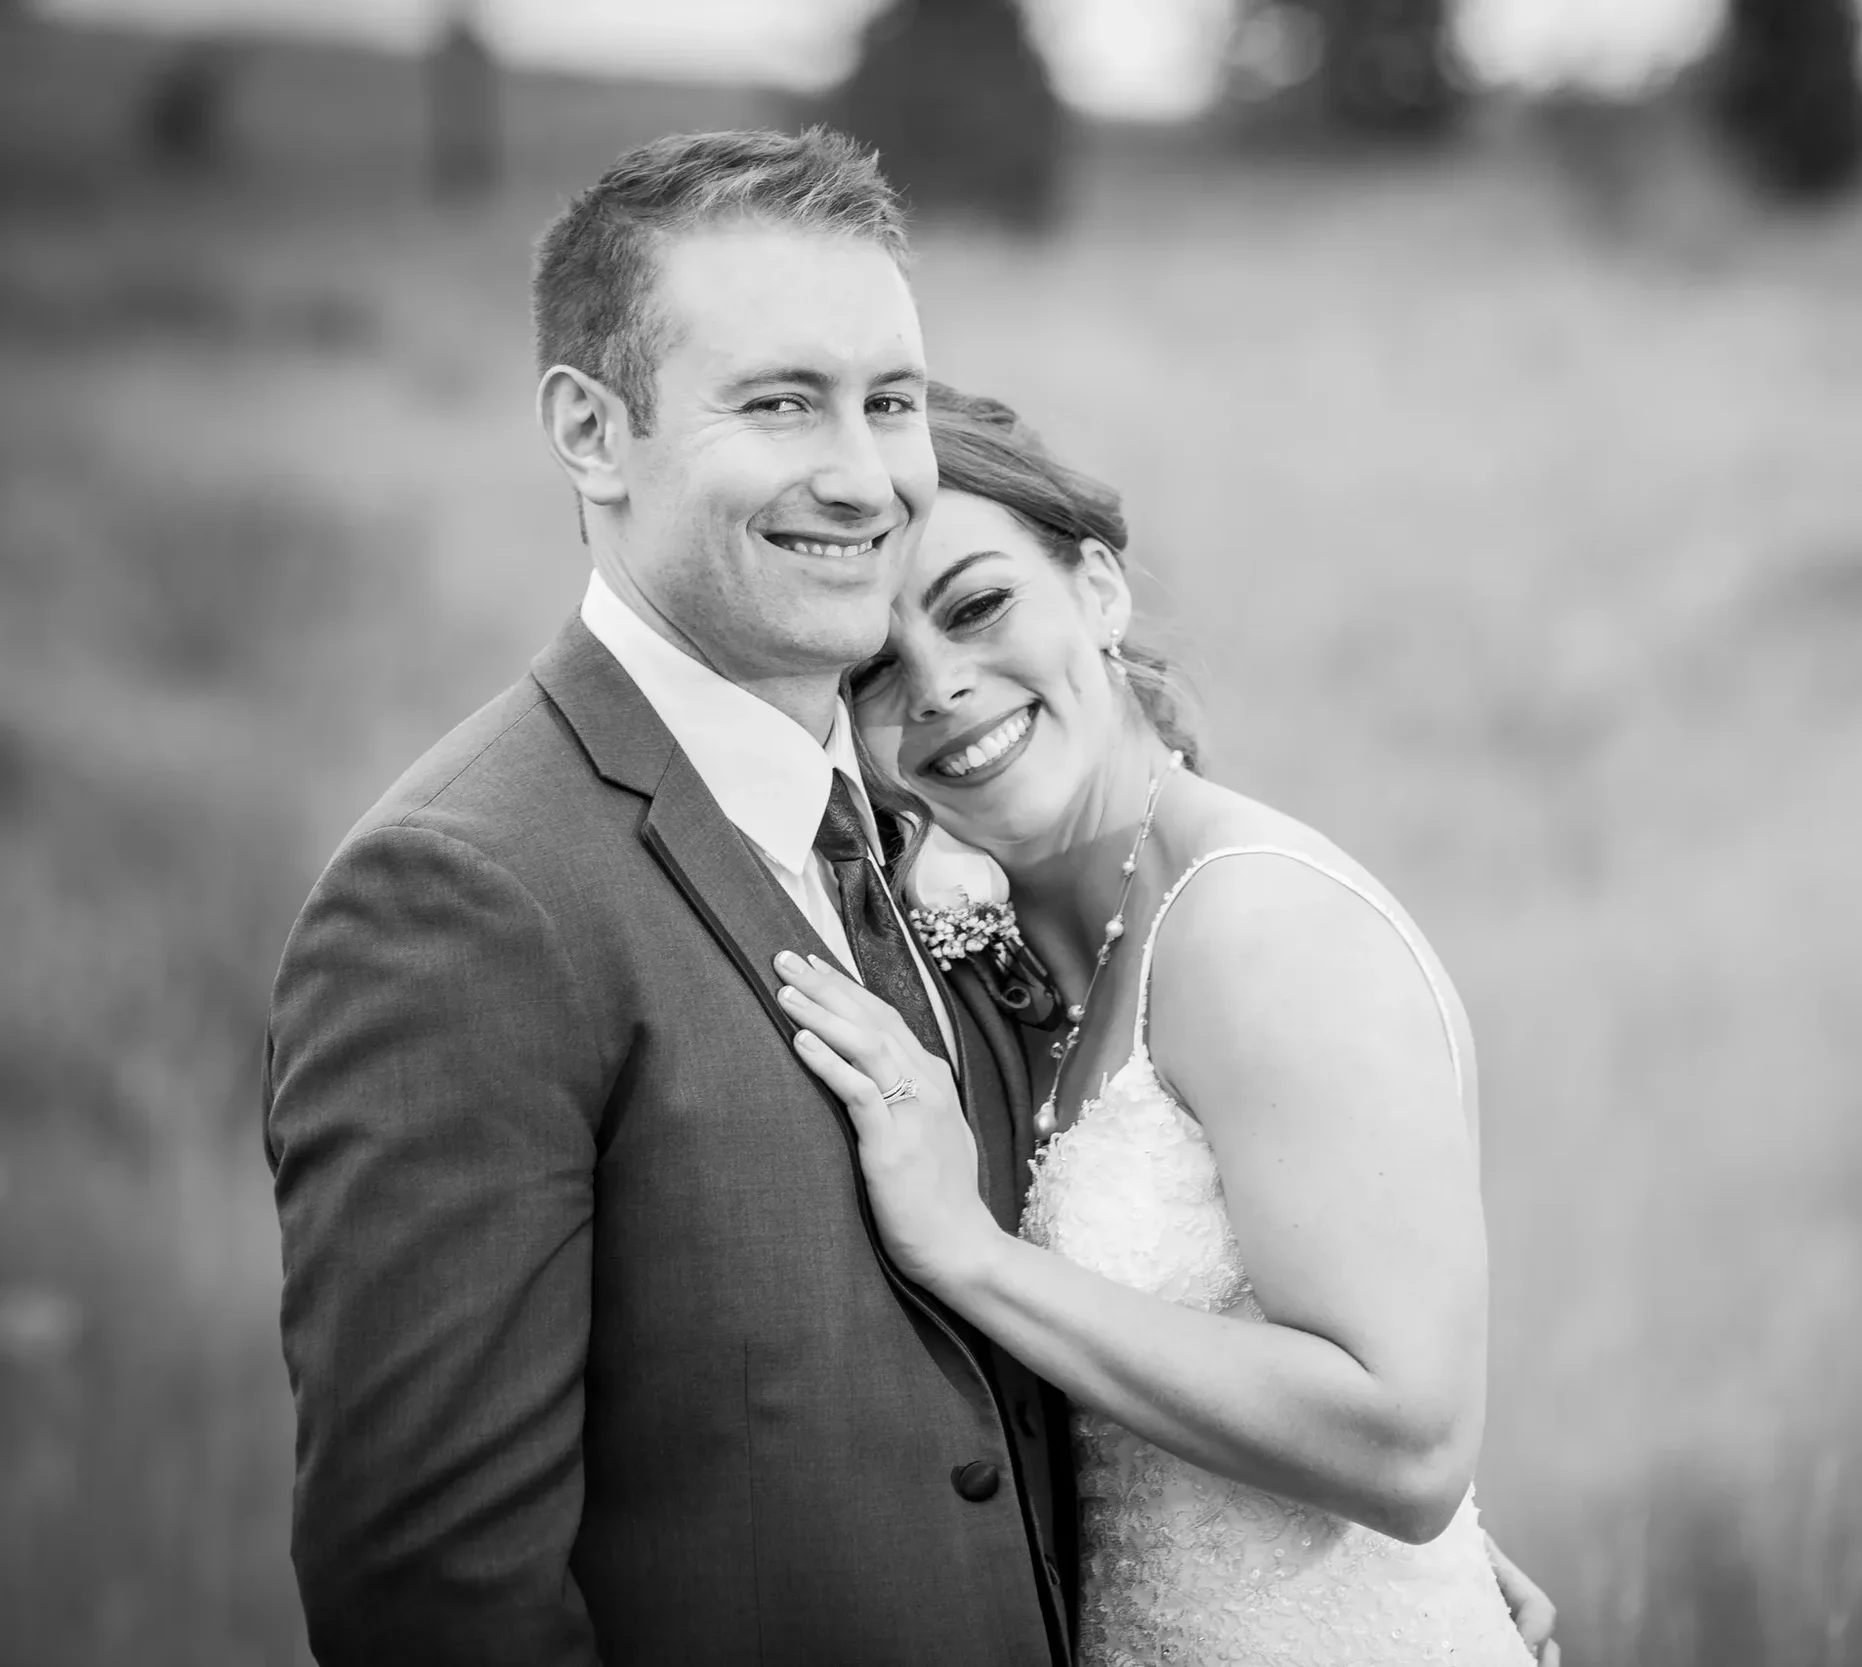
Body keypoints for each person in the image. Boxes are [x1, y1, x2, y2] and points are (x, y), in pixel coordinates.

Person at [264, 127, 1556, 1665]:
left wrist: (1368, 1577)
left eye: (886, 401)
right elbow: (435, 1601)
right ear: (593, 433)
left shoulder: (922, 850)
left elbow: (1029, 1360)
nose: (861, 472)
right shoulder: (465, 895)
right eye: (780, 402)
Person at [772, 384, 1553, 1665]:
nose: (945, 687)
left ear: (1097, 588)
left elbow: (1407, 1448)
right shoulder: (1012, 948)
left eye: (977, 606)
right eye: (872, 669)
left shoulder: (1258, 929)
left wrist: (974, 1255)